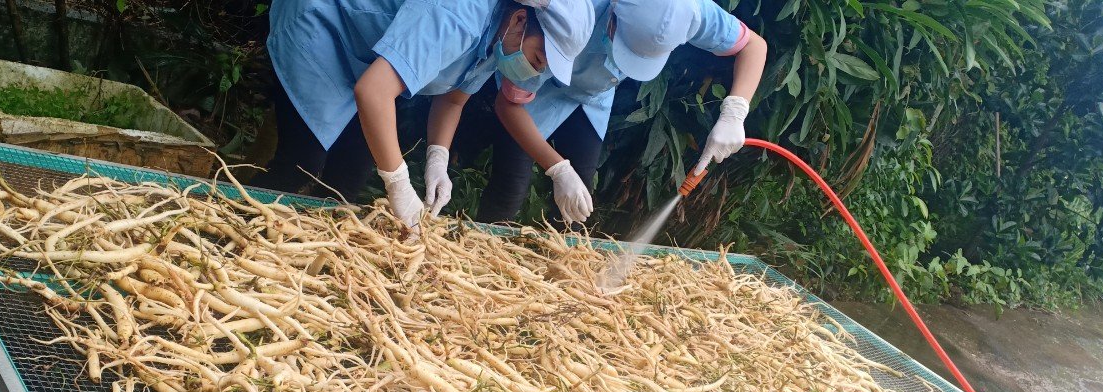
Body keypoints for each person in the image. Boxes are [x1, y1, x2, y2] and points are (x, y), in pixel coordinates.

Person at [253, 0, 595, 228]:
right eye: (537, 59)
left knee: (349, 176)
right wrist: (399, 184)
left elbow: (453, 99)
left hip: (365, 59)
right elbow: (373, 92)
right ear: (521, 20)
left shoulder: (500, 35)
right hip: (324, 23)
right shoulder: (458, 16)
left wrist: (437, 159)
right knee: (301, 165)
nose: (533, 74)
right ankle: (227, 235)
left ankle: (307, 259)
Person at [469, 0, 768, 226]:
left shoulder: (687, 10)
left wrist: (735, 111)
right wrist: (556, 168)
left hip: (593, 96)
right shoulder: (574, 13)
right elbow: (509, 105)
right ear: (613, 17)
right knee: (510, 187)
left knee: (579, 202)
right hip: (540, 88)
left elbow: (754, 46)